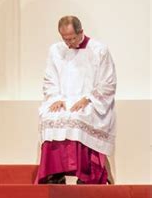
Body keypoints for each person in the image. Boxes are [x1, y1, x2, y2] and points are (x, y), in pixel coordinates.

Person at [36, 15, 116, 185]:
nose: (69, 43)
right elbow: (49, 79)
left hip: (90, 101)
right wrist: (55, 98)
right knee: (50, 117)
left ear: (81, 32)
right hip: (63, 100)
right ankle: (54, 175)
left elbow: (108, 83)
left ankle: (87, 175)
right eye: (65, 39)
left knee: (78, 117)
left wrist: (89, 98)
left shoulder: (99, 50)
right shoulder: (56, 50)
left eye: (72, 38)